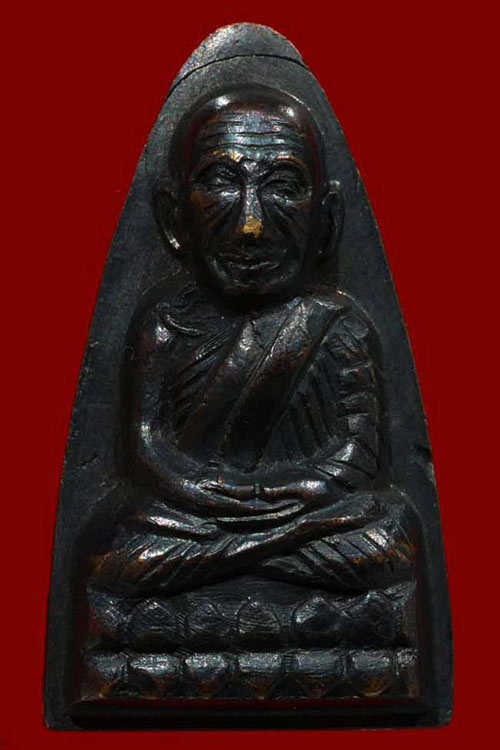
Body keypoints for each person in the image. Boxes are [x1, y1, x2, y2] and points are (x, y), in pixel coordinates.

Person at [81, 87, 420, 700]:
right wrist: (211, 494)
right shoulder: (165, 324)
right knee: (113, 543)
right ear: (173, 219)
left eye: (283, 187)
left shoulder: (337, 325)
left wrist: (291, 495)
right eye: (221, 183)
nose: (251, 225)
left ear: (327, 221)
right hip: (201, 518)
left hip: (304, 519)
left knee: (388, 536)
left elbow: (359, 457)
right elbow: (147, 449)